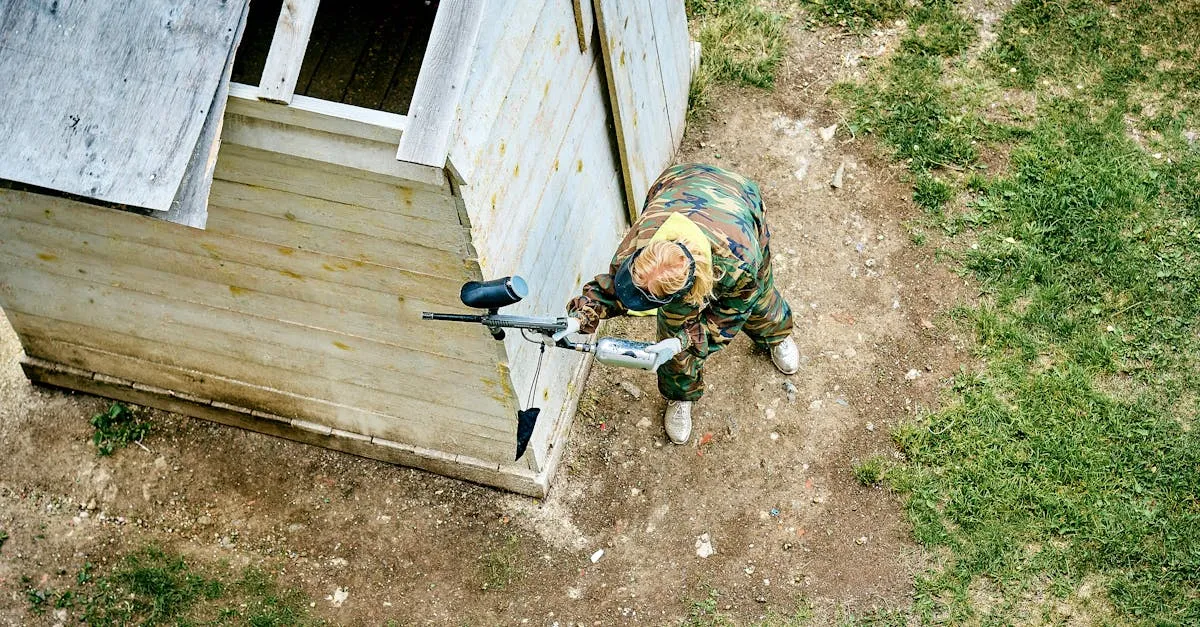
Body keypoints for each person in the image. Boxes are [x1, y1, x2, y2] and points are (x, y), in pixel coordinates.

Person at [554, 163, 799, 444]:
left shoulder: (739, 263)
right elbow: (612, 290)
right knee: (671, 338)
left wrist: (685, 340)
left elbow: (728, 318)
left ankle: (776, 335)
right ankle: (680, 395)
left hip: (739, 206)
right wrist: (580, 317)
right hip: (679, 182)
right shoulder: (642, 243)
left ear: (682, 291)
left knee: (760, 300)